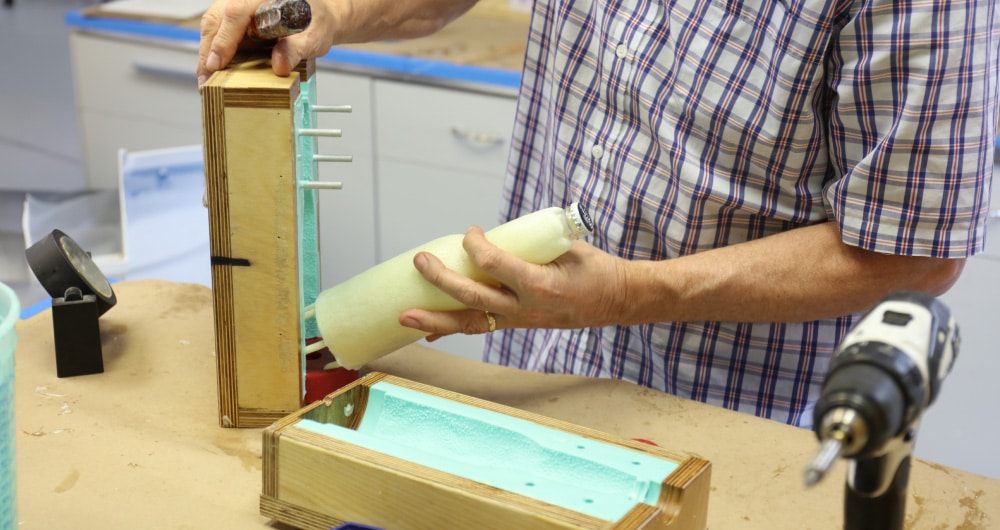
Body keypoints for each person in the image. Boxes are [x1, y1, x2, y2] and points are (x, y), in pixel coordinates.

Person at [198, 0, 997, 427]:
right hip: (530, 382)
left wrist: (630, 295)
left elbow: (912, 252)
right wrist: (332, 9)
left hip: (733, 422)